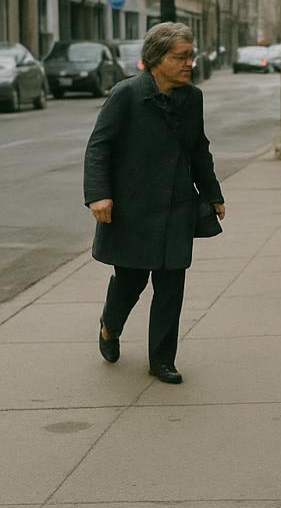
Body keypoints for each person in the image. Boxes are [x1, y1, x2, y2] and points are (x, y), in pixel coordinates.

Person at [83, 22, 225, 385]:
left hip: (177, 205)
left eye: (190, 56)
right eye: (180, 57)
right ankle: (109, 326)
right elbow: (100, 146)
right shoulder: (126, 95)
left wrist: (212, 193)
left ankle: (162, 360)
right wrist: (98, 194)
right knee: (130, 280)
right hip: (133, 208)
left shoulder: (192, 98)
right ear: (156, 59)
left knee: (171, 284)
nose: (188, 63)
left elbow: (198, 148)